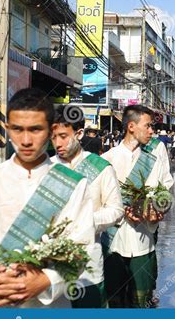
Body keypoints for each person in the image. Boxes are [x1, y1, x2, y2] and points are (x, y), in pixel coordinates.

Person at [0, 88, 94, 308]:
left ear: (50, 132)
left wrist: (46, 280)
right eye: (18, 129)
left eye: (35, 130)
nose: (26, 140)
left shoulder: (74, 184)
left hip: (49, 308)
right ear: (7, 129)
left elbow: (83, 247)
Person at [50, 105, 124, 308]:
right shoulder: (45, 168)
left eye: (63, 136)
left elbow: (116, 210)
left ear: (79, 133)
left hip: (88, 266)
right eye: (53, 136)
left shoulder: (100, 168)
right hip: (49, 269)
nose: (58, 143)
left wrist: (84, 222)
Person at [101, 105, 173, 308]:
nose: (152, 131)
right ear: (131, 126)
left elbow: (165, 190)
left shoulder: (154, 158)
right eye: (148, 126)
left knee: (142, 301)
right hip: (113, 242)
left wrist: (158, 209)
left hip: (143, 239)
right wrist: (122, 210)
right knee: (115, 301)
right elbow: (96, 203)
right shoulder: (107, 160)